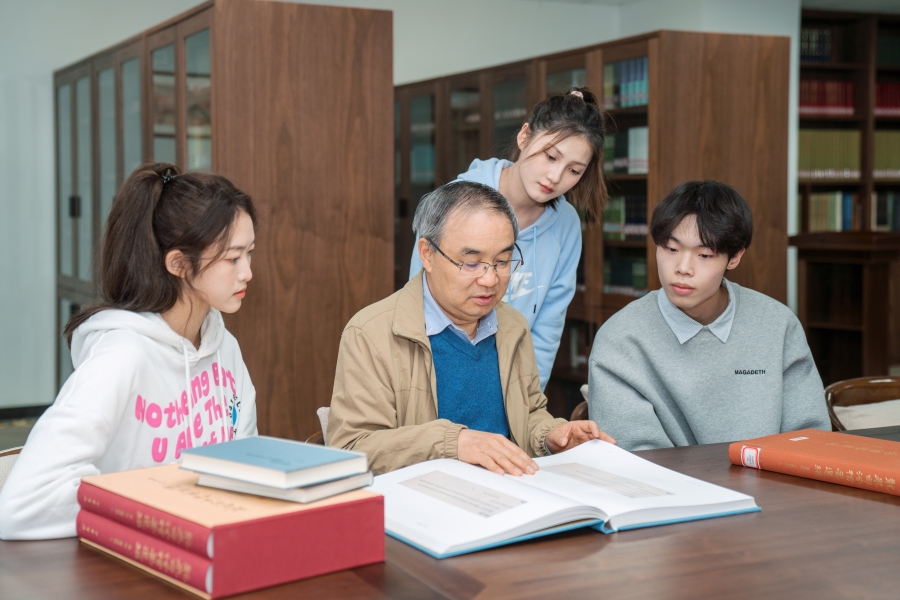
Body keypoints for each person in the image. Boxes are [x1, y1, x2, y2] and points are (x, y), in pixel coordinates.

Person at [0, 163, 259, 540]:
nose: (247, 272)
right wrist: (160, 506)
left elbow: (245, 466)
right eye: (233, 258)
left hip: (208, 545)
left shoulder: (224, 348)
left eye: (250, 253)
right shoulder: (121, 357)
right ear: (179, 263)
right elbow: (22, 505)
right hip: (131, 556)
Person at [329, 180, 614, 476]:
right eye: (471, 263)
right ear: (427, 254)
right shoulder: (371, 332)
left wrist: (551, 436)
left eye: (502, 261)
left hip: (508, 490)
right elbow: (353, 447)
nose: (490, 280)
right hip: (426, 496)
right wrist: (454, 442)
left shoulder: (513, 326)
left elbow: (528, 414)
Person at [588, 180, 830, 451]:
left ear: (734, 258)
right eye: (671, 249)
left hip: (771, 477)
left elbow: (809, 439)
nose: (683, 268)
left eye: (704, 255)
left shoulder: (777, 324)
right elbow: (637, 459)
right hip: (667, 479)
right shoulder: (620, 339)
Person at [409, 88, 607, 391]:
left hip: (513, 387)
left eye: (573, 170)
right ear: (524, 136)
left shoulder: (566, 224)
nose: (555, 177)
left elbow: (547, 329)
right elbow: (418, 307)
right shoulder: (454, 202)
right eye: (550, 156)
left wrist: (525, 401)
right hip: (438, 380)